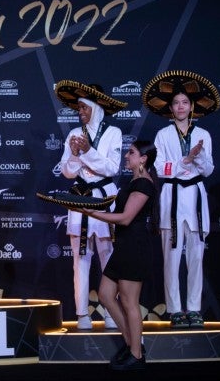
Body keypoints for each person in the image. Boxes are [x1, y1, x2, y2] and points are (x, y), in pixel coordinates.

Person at [142, 70, 220, 328]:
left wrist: (197, 156)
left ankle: (195, 308)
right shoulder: (163, 135)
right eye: (176, 103)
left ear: (192, 106)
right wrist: (185, 161)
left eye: (185, 103)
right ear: (171, 107)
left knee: (197, 257)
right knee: (172, 258)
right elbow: (160, 169)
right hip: (172, 198)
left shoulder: (204, 135)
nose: (180, 107)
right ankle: (175, 309)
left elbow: (208, 170)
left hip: (196, 198)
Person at [76, 140, 160, 370]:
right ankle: (131, 344)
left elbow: (125, 218)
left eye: (131, 153)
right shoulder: (134, 180)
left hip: (135, 247)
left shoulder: (143, 183)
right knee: (105, 294)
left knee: (130, 302)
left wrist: (93, 213)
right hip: (124, 246)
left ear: (143, 158)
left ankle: (137, 355)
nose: (126, 156)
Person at [55, 80, 127, 329]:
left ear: (96, 107)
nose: (80, 112)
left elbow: (111, 167)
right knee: (80, 259)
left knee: (109, 259)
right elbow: (66, 172)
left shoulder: (113, 133)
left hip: (105, 198)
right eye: (78, 108)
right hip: (80, 198)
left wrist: (87, 152)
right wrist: (75, 154)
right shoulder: (74, 133)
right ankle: (82, 315)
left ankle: (110, 313)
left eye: (84, 107)